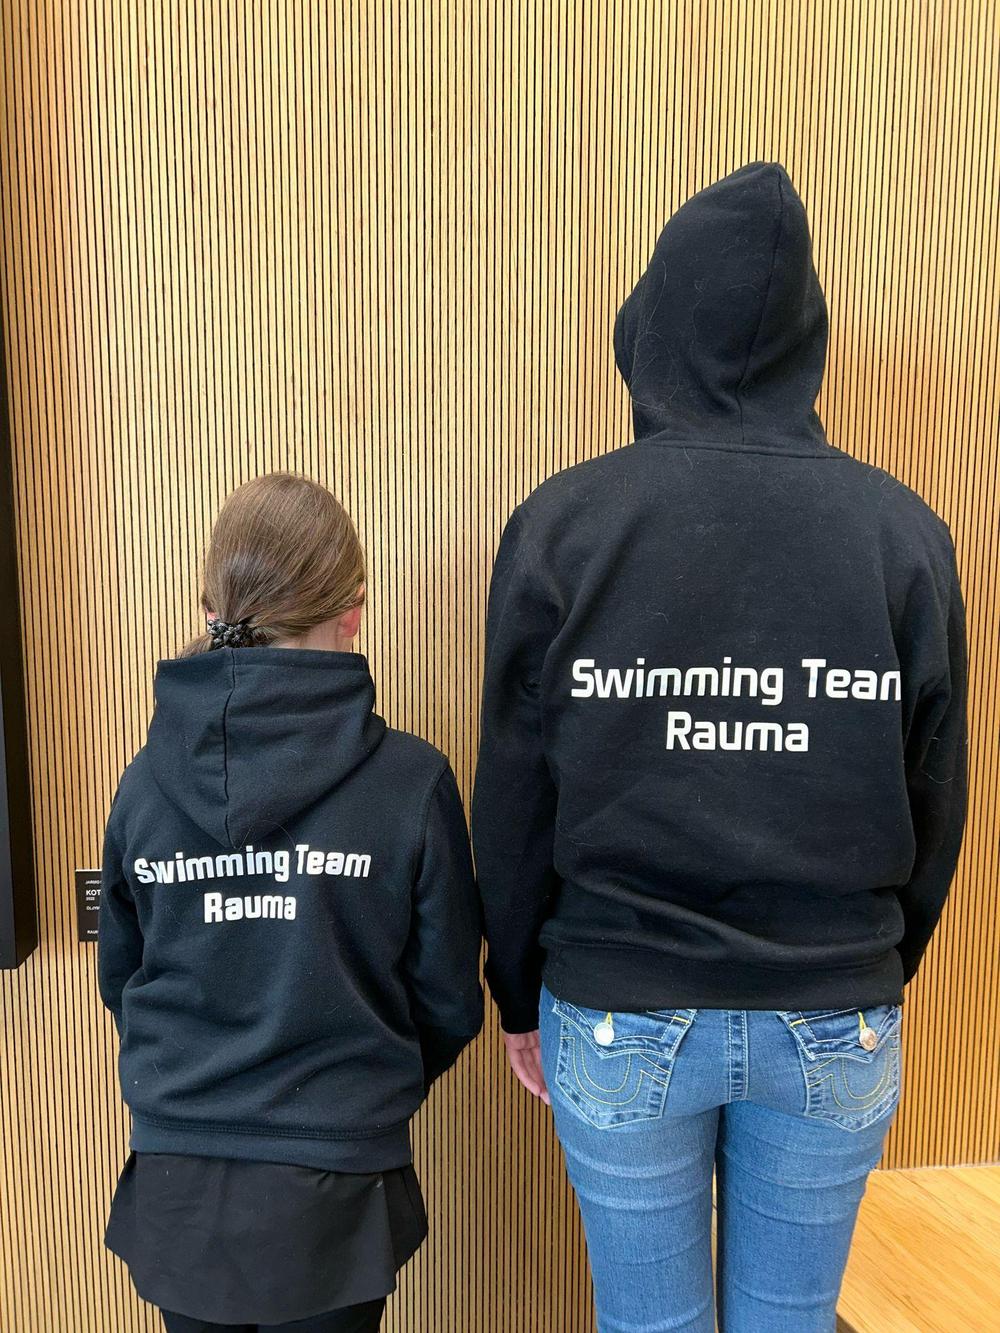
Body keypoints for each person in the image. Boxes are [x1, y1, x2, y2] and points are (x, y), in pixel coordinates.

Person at [472, 162, 967, 1332]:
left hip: (618, 996)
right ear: (807, 342)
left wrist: (517, 989)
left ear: (650, 329)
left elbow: (514, 796)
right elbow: (934, 793)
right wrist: (868, 967)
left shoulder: (563, 528)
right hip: (831, 1004)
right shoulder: (902, 534)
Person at [99, 472, 483, 1333]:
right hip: (334, 1183)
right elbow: (450, 1000)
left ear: (210, 608)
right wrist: (359, 1085)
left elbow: (123, 979)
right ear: (354, 611)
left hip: (180, 1177)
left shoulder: (143, 785)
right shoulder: (411, 783)